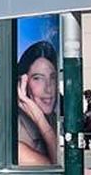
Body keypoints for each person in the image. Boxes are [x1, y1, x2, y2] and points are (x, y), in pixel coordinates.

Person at [15, 40, 61, 168]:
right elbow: (53, 168)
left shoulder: (51, 118)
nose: (48, 88)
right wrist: (40, 119)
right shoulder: (15, 128)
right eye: (38, 78)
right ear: (22, 84)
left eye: (52, 78)